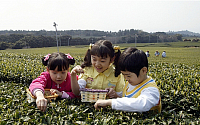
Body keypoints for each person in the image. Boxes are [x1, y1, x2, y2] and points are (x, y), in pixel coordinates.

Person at [94, 47, 161, 113]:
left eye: (128, 75)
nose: (126, 78)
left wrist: (110, 102)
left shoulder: (151, 89)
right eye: (123, 75)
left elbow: (141, 105)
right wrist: (115, 95)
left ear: (143, 71)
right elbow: (127, 99)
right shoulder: (132, 82)